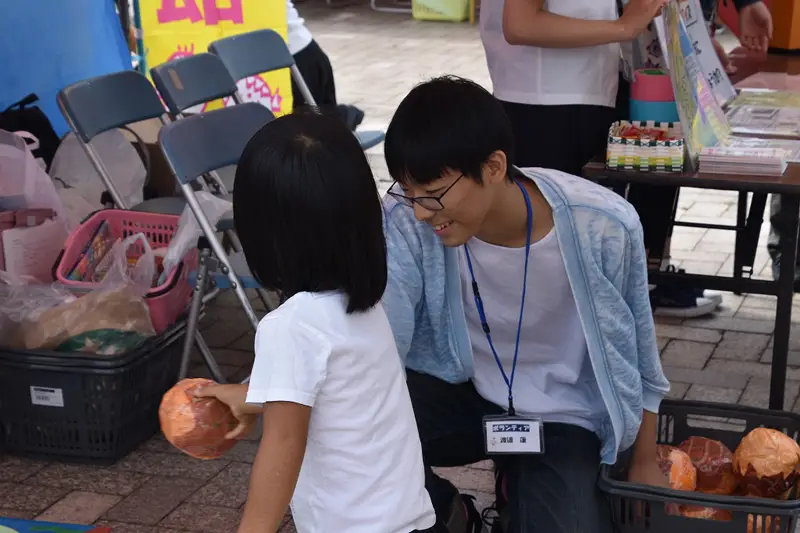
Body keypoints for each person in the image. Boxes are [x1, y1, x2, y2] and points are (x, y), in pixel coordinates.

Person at [381, 76, 670, 533]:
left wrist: (644, 459)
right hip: (462, 396)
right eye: (407, 190)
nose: (419, 210)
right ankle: (448, 513)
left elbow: (640, 351)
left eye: (432, 192)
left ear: (494, 167)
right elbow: (382, 342)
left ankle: (520, 487)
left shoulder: (603, 226)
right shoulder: (409, 221)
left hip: (562, 419)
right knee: (351, 427)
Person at [195, 111, 438, 533]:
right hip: (405, 518)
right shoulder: (363, 305)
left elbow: (284, 443)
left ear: (263, 234)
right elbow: (338, 395)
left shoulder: (290, 326)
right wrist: (249, 396)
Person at [286, 0, 364, 130]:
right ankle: (339, 117)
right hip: (302, 50)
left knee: (308, 129)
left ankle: (340, 116)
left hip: (294, 59)